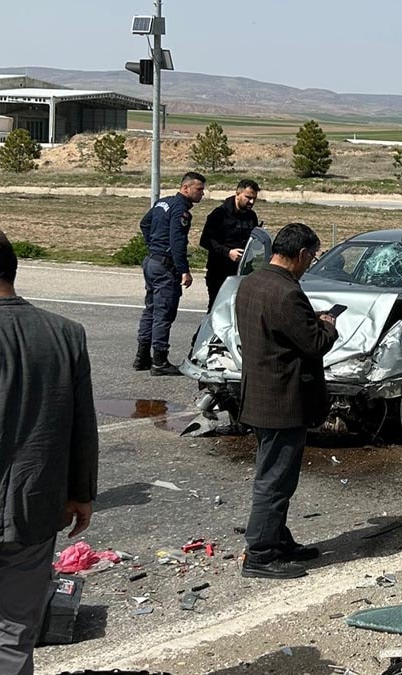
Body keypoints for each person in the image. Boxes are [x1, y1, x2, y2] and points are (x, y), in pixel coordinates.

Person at [0, 222, 98, 675]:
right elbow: (82, 424)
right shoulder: (64, 334)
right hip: (33, 512)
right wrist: (82, 493)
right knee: (13, 639)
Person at [235, 223, 338, 579]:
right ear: (302, 255)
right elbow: (313, 344)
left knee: (273, 475)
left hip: (260, 396)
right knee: (275, 481)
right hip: (281, 400)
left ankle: (277, 539)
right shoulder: (286, 293)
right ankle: (261, 553)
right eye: (312, 257)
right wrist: (326, 324)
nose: (311, 264)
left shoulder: (252, 282)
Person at [133, 171, 207, 375]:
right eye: (199, 189)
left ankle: (142, 357)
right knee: (163, 313)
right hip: (165, 266)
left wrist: (153, 245)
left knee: (151, 309)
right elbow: (177, 242)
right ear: (185, 188)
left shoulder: (162, 203)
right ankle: (159, 361)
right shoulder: (180, 209)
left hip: (152, 262)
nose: (202, 193)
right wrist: (184, 271)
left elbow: (144, 223)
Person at [200, 178, 260, 311]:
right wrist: (228, 252)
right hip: (219, 271)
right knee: (217, 309)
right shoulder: (219, 214)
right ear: (237, 194)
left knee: (239, 310)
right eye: (248, 197)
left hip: (242, 271)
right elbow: (205, 241)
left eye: (254, 198)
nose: (251, 202)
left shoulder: (251, 216)